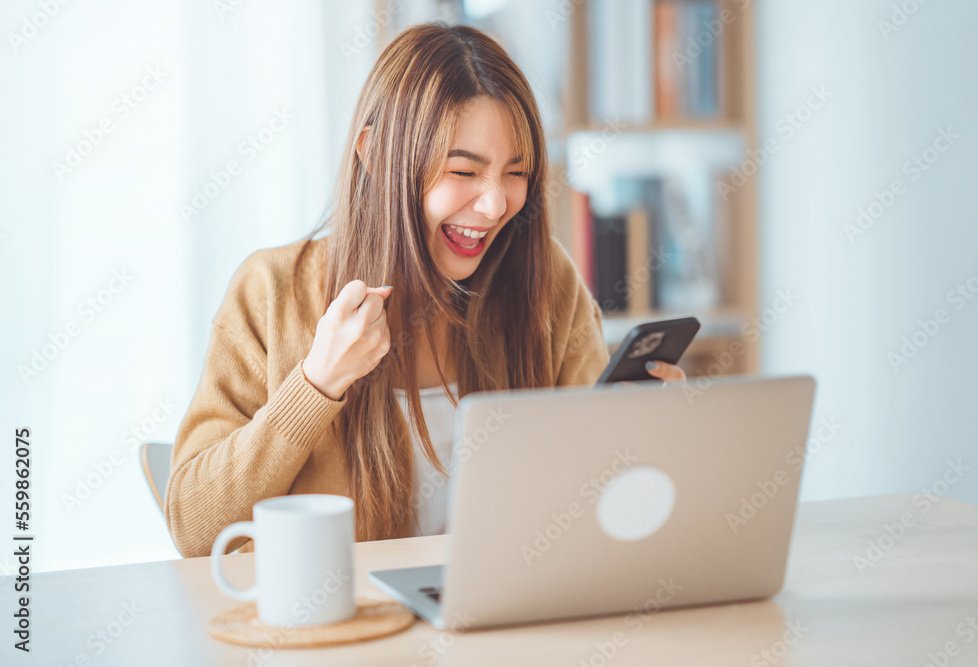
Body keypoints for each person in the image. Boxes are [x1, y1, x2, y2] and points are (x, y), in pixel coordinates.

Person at [163, 23, 685, 559]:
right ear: (376, 152)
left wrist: (635, 440)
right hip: (348, 635)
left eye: (516, 171)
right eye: (464, 170)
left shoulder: (544, 284)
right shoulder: (272, 292)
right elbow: (194, 529)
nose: (494, 205)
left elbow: (599, 517)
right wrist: (316, 385)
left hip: (505, 626)